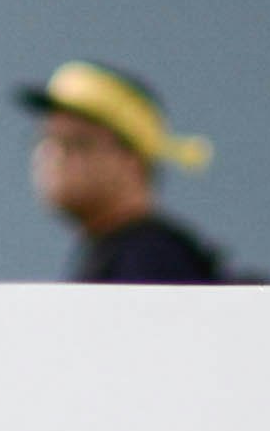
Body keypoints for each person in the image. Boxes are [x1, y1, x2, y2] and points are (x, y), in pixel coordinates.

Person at [21, 60, 225, 282]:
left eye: (78, 142)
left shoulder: (149, 257)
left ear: (133, 161)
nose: (53, 156)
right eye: (45, 140)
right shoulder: (119, 250)